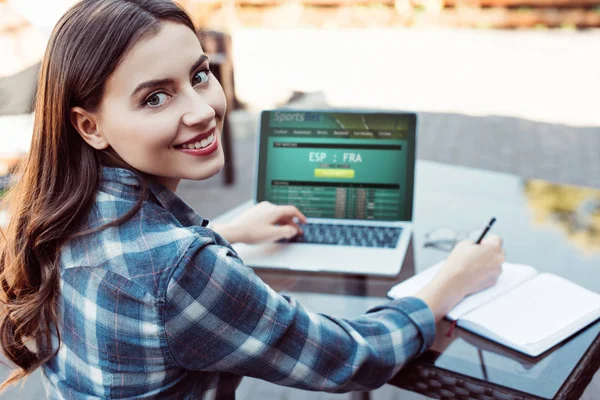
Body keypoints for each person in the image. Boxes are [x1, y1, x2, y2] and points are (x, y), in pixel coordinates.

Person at [0, 0, 505, 398]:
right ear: (89, 126)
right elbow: (347, 358)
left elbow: (141, 277)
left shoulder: (55, 214)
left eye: (199, 75)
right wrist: (448, 285)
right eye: (155, 97)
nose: (202, 111)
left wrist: (228, 231)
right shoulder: (181, 271)